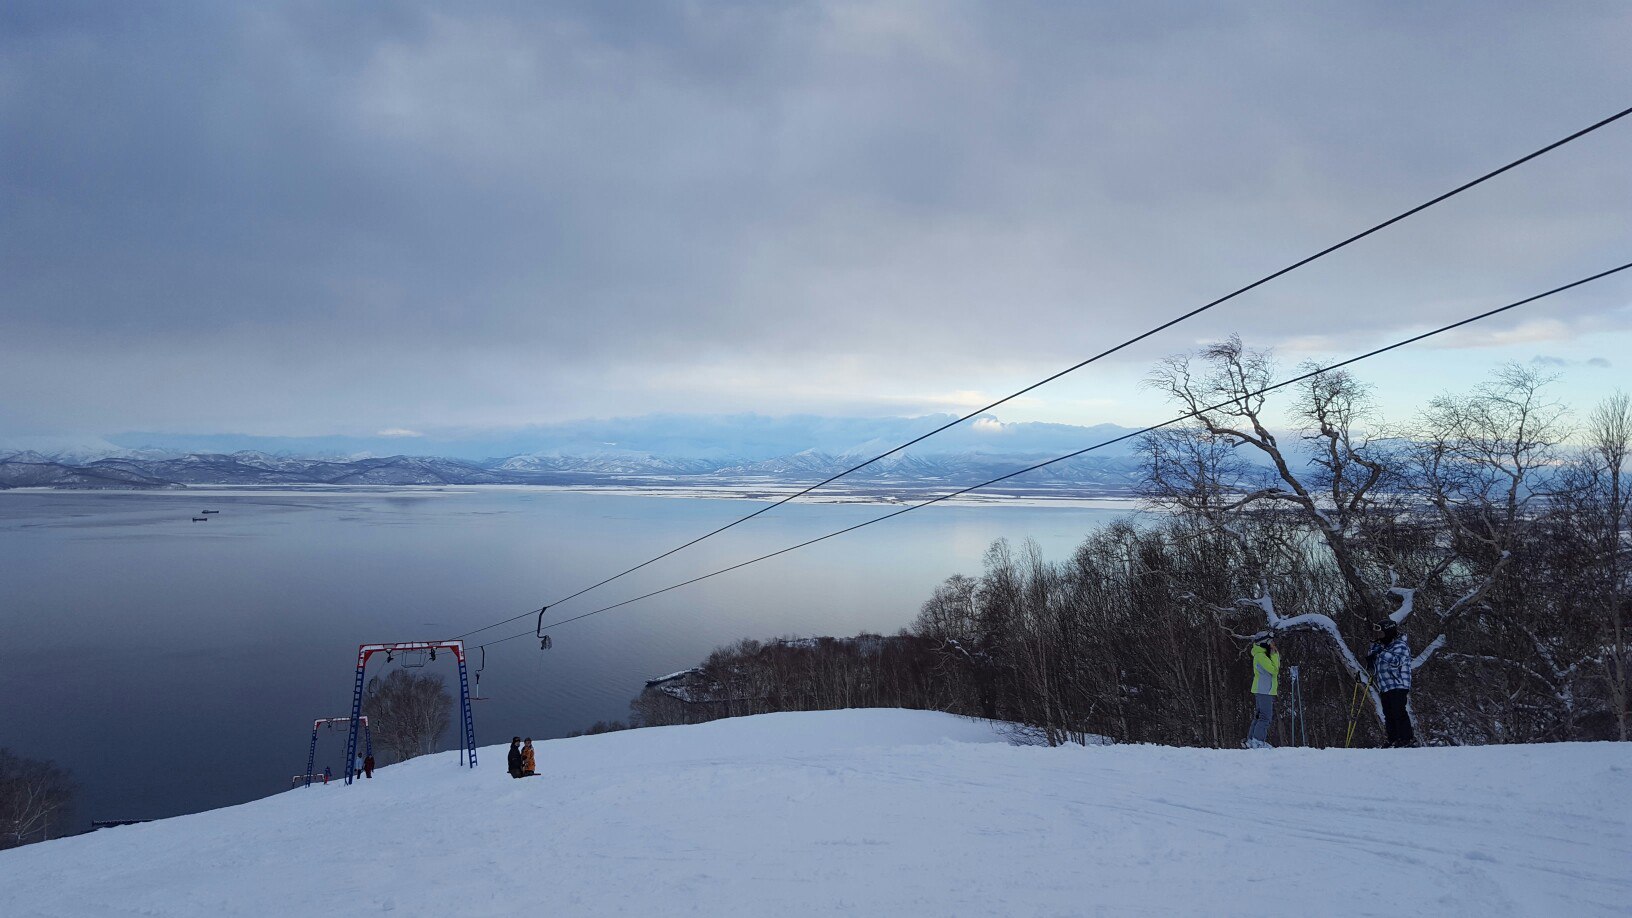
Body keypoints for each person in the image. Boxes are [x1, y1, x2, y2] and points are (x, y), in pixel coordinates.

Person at [1367, 620, 1415, 747]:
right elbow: (1377, 668)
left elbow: (1396, 661)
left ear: (1388, 632)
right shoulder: (1381, 647)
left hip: (1398, 684)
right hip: (1385, 686)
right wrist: (1371, 660)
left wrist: (1380, 653)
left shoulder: (1400, 645)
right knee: (1388, 713)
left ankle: (1406, 738)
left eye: (1381, 633)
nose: (1378, 636)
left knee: (1398, 710)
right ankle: (1393, 738)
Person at [1245, 636, 1280, 749]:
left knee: (1259, 716)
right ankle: (1258, 741)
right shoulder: (1261, 656)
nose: (1273, 645)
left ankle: (1251, 740)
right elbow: (1274, 670)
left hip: (1263, 689)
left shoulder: (1261, 655)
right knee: (1265, 717)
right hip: (1264, 690)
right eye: (1271, 643)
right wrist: (1275, 654)